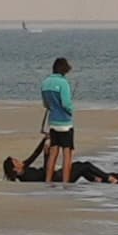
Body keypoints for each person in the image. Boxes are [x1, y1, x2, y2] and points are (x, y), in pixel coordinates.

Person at [3, 137, 118, 185]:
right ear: (15, 168)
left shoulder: (24, 168)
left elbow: (34, 155)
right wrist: (47, 156)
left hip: (56, 175)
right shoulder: (26, 177)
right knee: (84, 166)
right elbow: (46, 173)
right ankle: (110, 178)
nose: (19, 160)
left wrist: (44, 142)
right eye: (16, 161)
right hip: (57, 179)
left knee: (80, 167)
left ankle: (102, 179)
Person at [40, 57, 75, 185]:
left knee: (53, 153)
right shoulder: (63, 83)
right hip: (65, 123)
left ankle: (48, 181)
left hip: (53, 123)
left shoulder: (45, 83)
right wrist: (71, 109)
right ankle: (66, 183)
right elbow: (66, 103)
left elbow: (46, 104)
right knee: (67, 154)